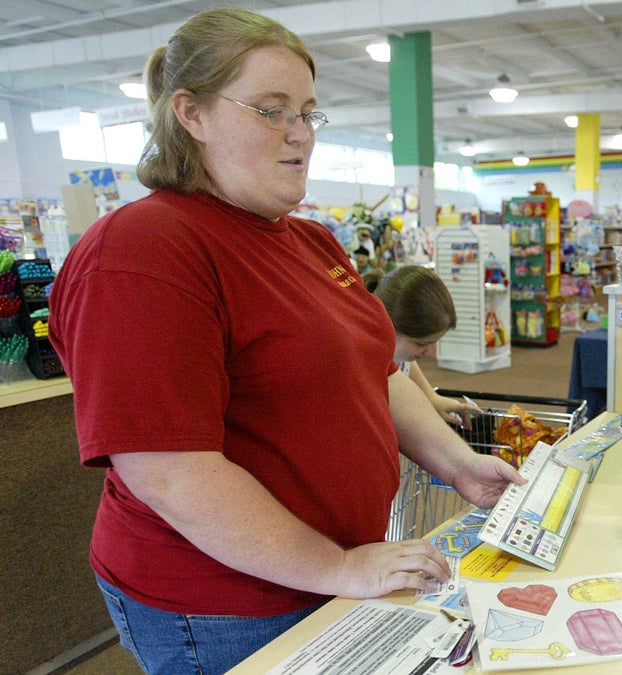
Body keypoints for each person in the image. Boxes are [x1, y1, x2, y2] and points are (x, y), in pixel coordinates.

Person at [47, 9, 522, 674]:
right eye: (271, 110)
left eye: (307, 111)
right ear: (193, 115)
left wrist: (458, 464)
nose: (301, 134)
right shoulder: (144, 250)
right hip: (222, 605)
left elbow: (377, 373)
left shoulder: (310, 240)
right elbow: (168, 472)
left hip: (325, 575)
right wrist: (338, 564)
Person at [374, 264, 482, 426]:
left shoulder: (397, 348)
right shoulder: (367, 368)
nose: (432, 353)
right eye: (422, 343)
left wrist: (431, 397)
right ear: (388, 325)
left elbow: (407, 366)